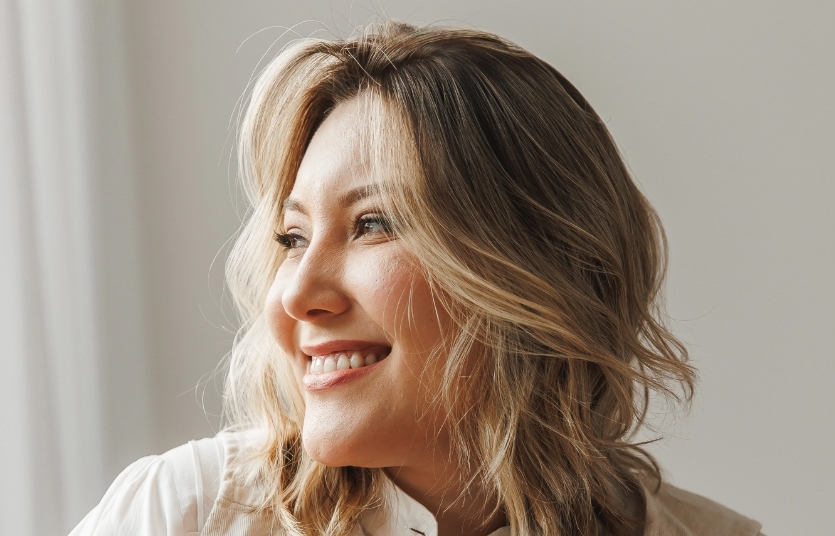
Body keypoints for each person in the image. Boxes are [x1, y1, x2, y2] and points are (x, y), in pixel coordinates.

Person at [70, 21, 764, 536]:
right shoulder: (185, 513)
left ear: (537, 263)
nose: (297, 294)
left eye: (373, 223)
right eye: (293, 238)